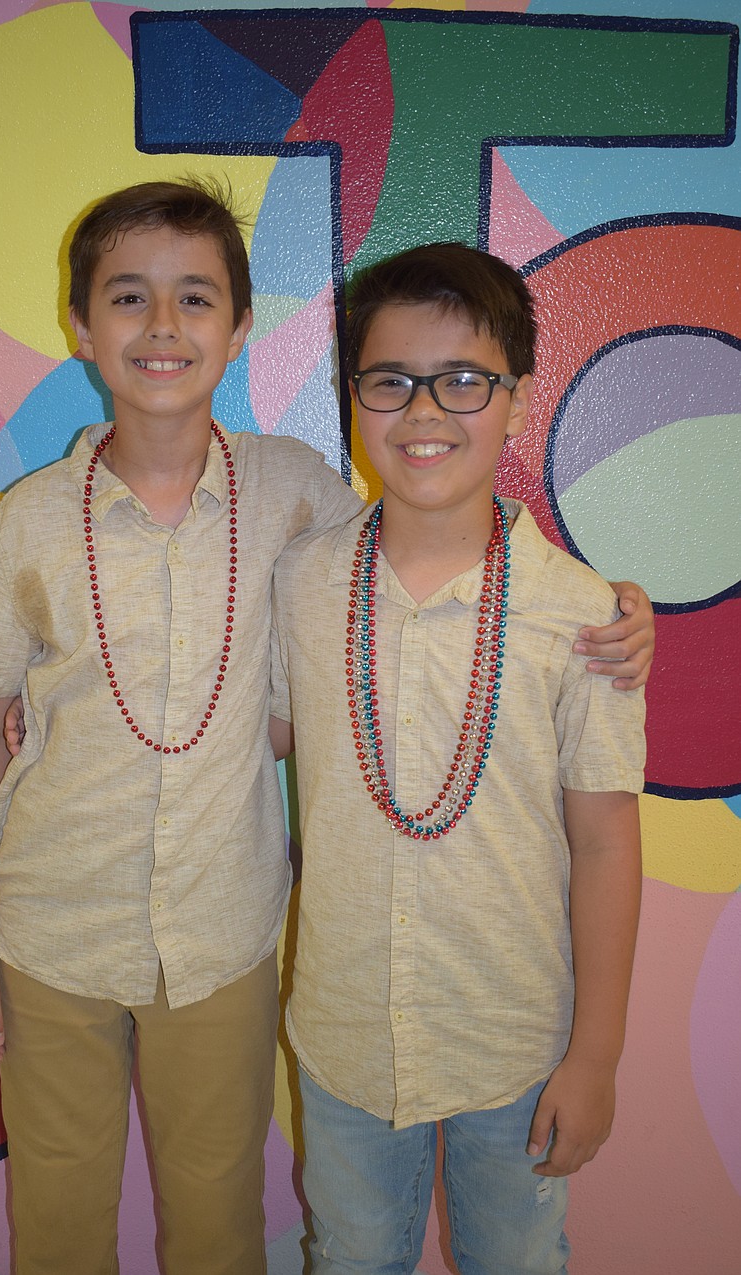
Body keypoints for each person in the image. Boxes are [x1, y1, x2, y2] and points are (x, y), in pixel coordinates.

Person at [0, 180, 650, 1275]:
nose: (164, 326)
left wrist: (621, 612)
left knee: (252, 1219)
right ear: (80, 324)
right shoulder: (65, 525)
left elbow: (430, 572)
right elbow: (10, 726)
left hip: (310, 968)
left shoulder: (305, 506)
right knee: (78, 1218)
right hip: (98, 947)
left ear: (239, 327)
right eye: (129, 297)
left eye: (195, 298)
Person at [270, 242, 646, 1274]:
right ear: (353, 396)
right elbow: (254, 732)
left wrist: (598, 1055)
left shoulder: (582, 613)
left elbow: (608, 841)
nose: (424, 412)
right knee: (348, 1257)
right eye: (390, 381)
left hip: (516, 1040)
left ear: (517, 400)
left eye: (463, 380)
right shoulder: (301, 581)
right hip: (344, 1034)